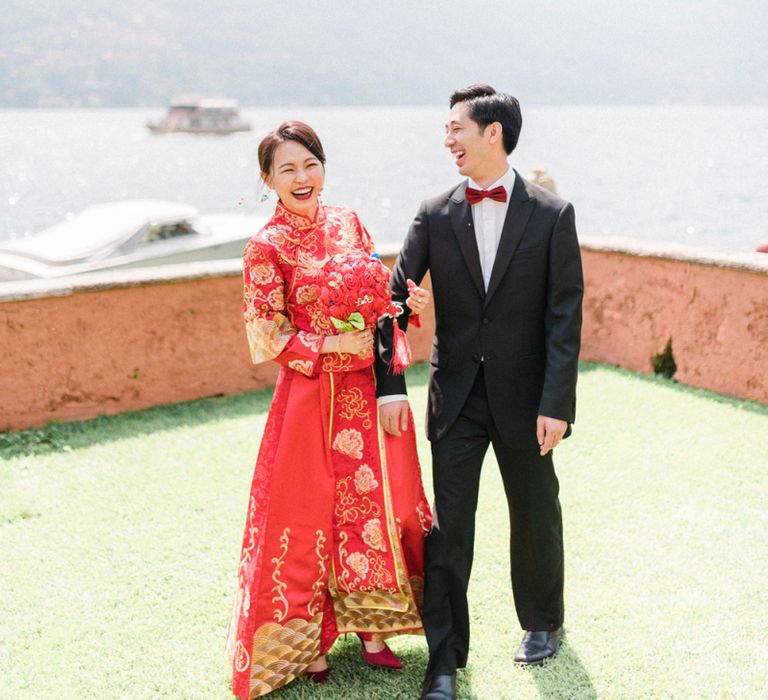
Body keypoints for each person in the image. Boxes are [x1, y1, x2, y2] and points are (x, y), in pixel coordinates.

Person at [375, 85, 584, 700]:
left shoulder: (552, 214)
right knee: (448, 527)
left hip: (527, 400)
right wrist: (392, 386)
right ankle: (445, 657)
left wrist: (557, 405)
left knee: (535, 510)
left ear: (492, 132)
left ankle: (542, 622)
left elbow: (563, 317)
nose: (448, 141)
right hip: (457, 395)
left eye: (455, 129)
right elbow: (390, 298)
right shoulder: (434, 212)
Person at [225, 121, 432, 698]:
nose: (301, 178)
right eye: (286, 169)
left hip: (367, 393)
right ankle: (305, 639)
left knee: (378, 504)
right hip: (309, 396)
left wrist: (401, 306)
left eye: (309, 164)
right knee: (305, 515)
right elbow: (265, 336)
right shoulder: (264, 247)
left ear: (323, 167)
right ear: (267, 180)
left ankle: (371, 626)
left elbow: (378, 302)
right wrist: (332, 344)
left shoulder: (349, 222)